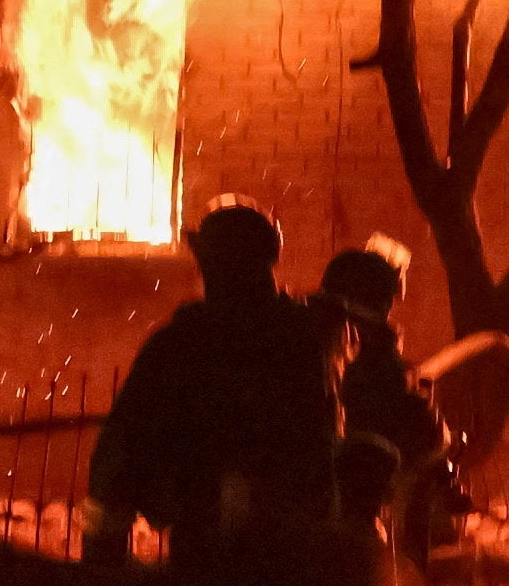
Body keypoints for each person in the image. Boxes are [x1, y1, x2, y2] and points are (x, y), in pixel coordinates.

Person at [81, 201, 342, 565]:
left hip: (225, 540)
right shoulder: (302, 338)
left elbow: (119, 451)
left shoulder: (186, 341)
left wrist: (103, 553)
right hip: (275, 546)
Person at [313, 238, 461, 555]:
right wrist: (427, 415)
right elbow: (407, 424)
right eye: (389, 298)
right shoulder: (370, 349)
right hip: (357, 484)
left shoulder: (304, 334)